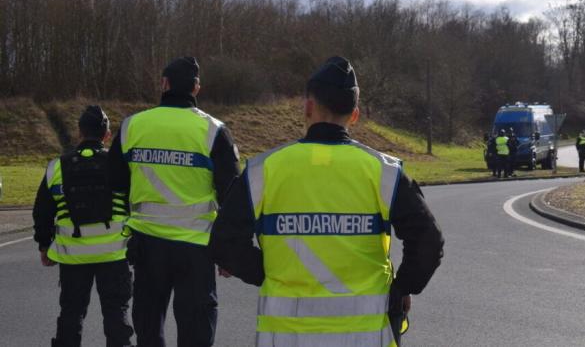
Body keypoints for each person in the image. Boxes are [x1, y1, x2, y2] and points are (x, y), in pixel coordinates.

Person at [209, 56, 444, 347]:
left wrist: (267, 272)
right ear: (355, 115)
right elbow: (429, 241)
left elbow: (223, 242)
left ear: (308, 107)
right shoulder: (384, 172)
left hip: (285, 337)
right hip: (366, 337)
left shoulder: (263, 170)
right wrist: (399, 288)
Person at [108, 57, 241, 347]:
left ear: (164, 83)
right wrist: (229, 251)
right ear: (196, 88)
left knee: (148, 327)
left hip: (147, 245)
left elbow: (114, 184)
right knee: (196, 331)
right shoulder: (214, 130)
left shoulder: (132, 126)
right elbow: (231, 195)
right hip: (196, 248)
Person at [33, 105, 134, 347]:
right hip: (114, 255)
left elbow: (42, 212)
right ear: (107, 134)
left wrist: (44, 245)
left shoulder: (56, 167)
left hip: (72, 257)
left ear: (79, 132)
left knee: (71, 314)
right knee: (116, 315)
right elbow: (135, 203)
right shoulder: (120, 164)